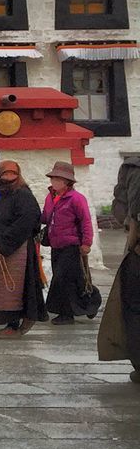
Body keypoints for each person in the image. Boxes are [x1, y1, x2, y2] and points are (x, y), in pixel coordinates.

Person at [0, 159, 46, 337]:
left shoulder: (23, 195)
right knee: (5, 290)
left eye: (12, 174)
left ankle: (15, 325)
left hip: (18, 248)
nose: (9, 177)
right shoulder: (3, 194)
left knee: (18, 288)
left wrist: (7, 241)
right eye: (5, 174)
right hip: (5, 245)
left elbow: (29, 218)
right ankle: (11, 323)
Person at [97, 155, 140, 383]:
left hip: (137, 252)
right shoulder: (133, 168)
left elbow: (122, 210)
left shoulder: (132, 168)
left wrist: (131, 231)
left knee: (134, 309)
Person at [41, 161, 95, 325]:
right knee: (72, 279)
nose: (54, 182)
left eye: (58, 179)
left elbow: (86, 221)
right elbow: (45, 217)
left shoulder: (77, 199)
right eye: (53, 178)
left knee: (63, 279)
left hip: (71, 245)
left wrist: (86, 243)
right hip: (56, 244)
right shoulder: (51, 197)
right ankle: (89, 304)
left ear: (67, 182)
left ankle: (67, 314)